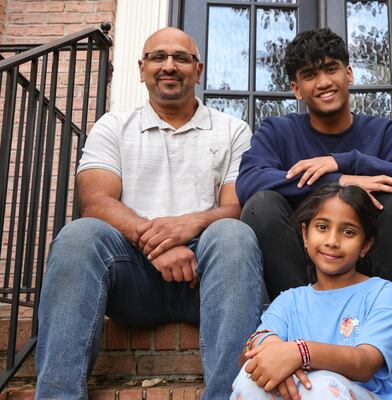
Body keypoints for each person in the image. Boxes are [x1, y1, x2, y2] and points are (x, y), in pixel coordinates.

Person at [35, 27, 263, 400]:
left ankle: (231, 395)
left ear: (198, 69)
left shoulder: (232, 129)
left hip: (205, 277)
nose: (169, 66)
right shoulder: (113, 126)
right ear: (142, 68)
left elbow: (235, 206)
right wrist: (158, 244)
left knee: (235, 235)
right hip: (133, 277)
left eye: (181, 58)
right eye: (158, 57)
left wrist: (190, 225)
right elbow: (95, 200)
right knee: (79, 236)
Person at [236, 28, 392, 304]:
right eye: (310, 75)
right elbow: (249, 183)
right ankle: (304, 315)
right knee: (262, 205)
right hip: (300, 271)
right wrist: (338, 181)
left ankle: (382, 316)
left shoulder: (384, 132)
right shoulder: (278, 131)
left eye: (331, 69)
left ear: (349, 74)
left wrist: (350, 161)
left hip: (369, 267)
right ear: (296, 89)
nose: (323, 82)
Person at [231, 184, 392, 400]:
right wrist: (271, 350)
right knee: (254, 379)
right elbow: (251, 353)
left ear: (365, 245)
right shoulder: (290, 300)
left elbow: (364, 363)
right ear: (305, 235)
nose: (332, 241)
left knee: (320, 386)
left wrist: (299, 353)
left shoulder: (381, 293)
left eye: (348, 232)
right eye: (322, 227)